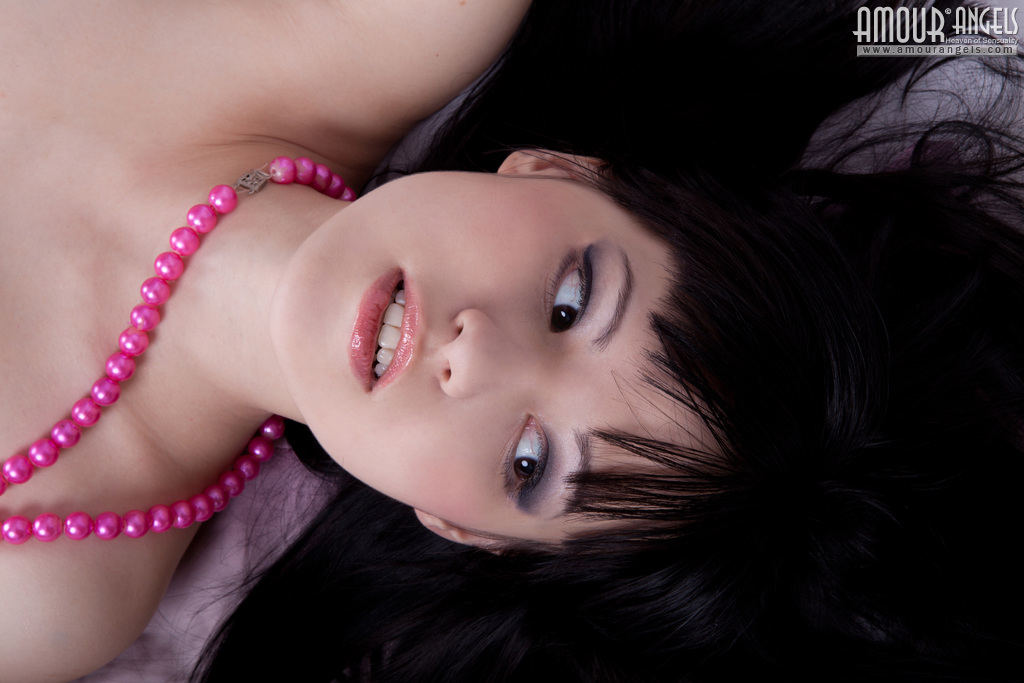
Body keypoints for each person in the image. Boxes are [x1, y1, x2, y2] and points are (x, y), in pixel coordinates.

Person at [0, 2, 1021, 683]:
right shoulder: (416, 16)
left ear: (462, 526)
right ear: (561, 170)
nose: (472, 356)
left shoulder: (53, 581)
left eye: (531, 463)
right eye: (573, 301)